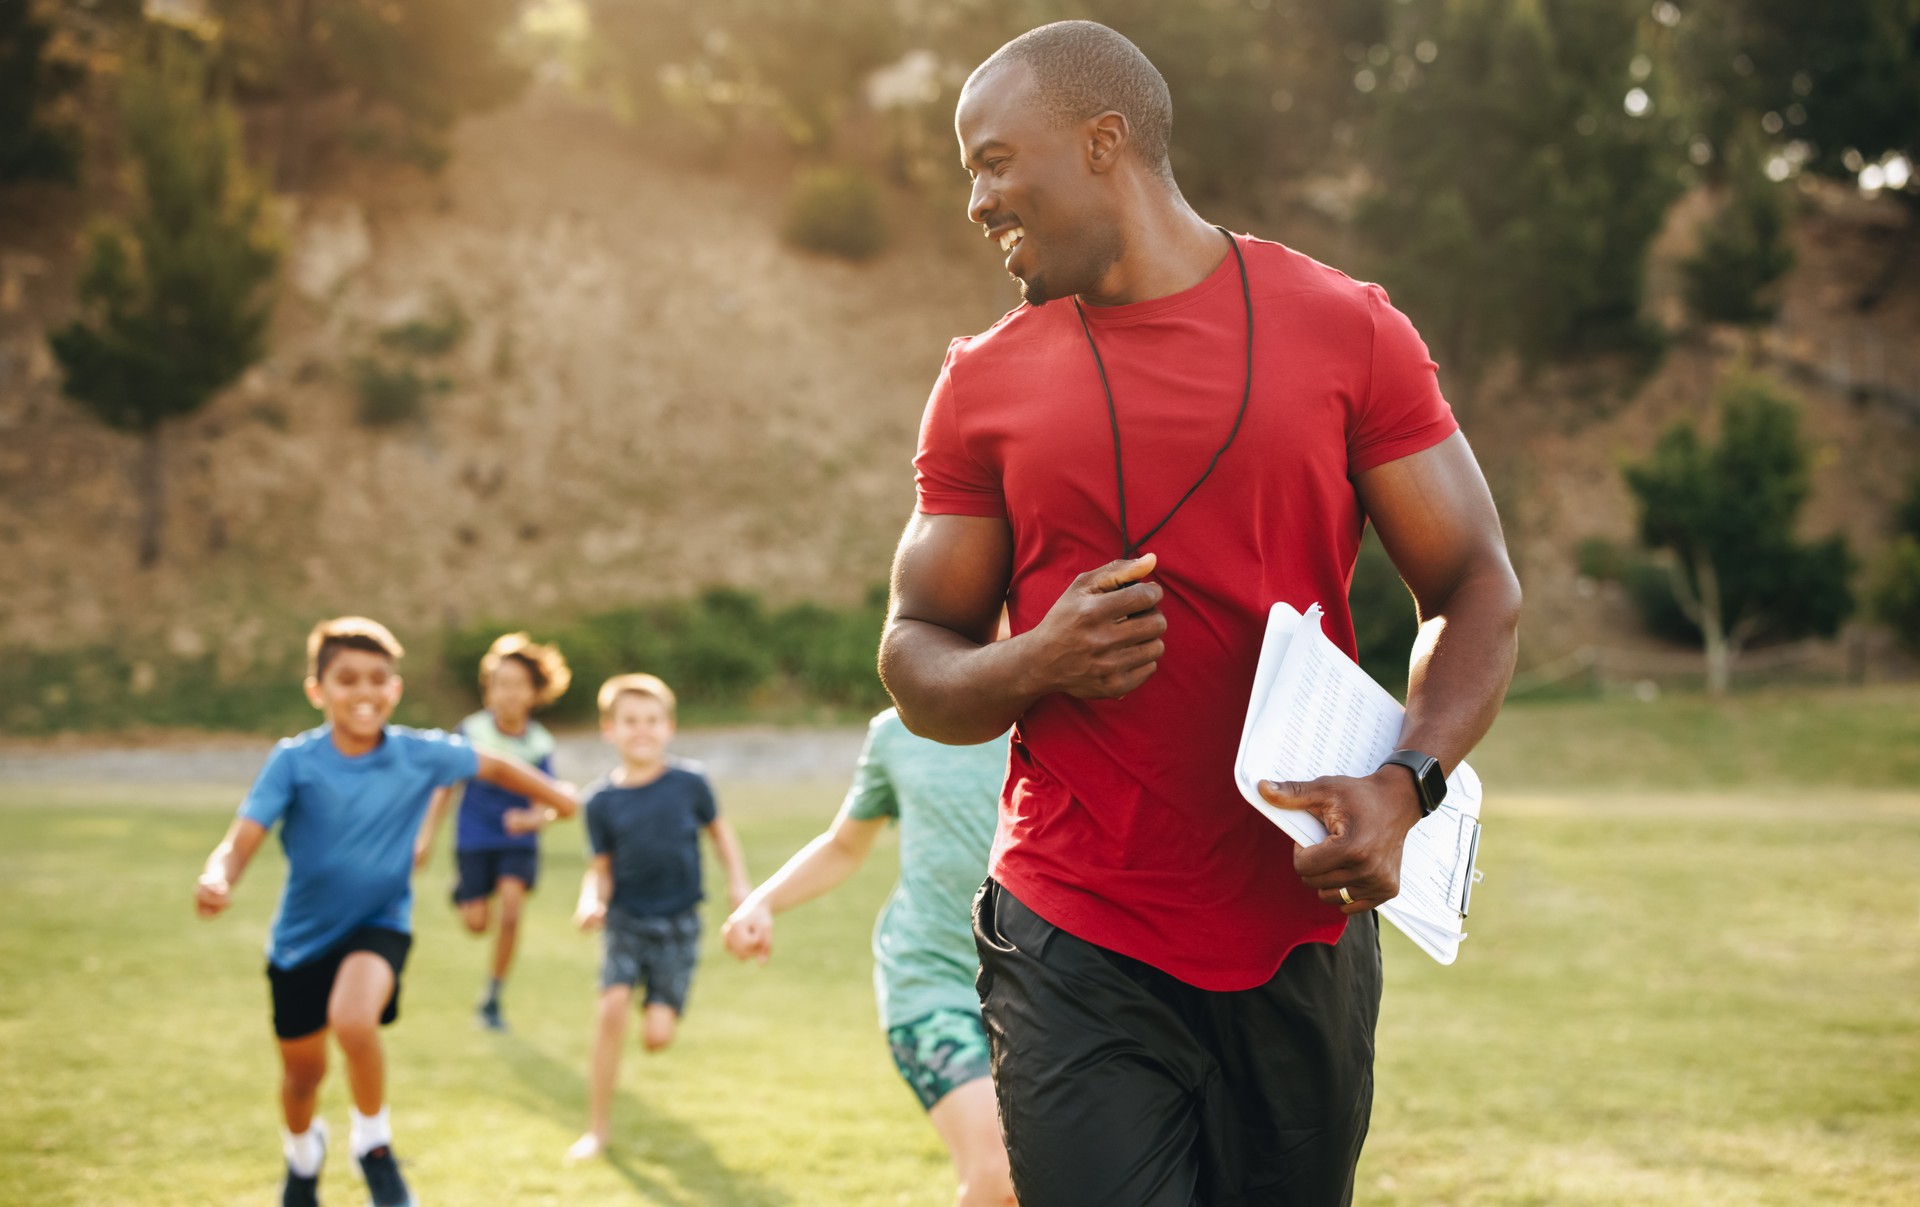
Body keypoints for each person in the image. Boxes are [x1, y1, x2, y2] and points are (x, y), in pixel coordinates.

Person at [879, 21, 1523, 1207]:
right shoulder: (983, 382)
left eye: (995, 160)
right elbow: (916, 658)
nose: (977, 200)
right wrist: (1036, 658)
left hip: (1300, 929)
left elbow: (1476, 582)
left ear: (1103, 141)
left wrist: (1409, 780)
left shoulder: (1347, 329)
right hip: (1071, 934)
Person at [194, 617, 579, 1207]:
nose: (365, 692)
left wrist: (558, 798)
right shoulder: (294, 762)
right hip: (301, 941)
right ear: (317, 691)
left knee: (354, 1020)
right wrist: (218, 876)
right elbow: (242, 839)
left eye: (379, 679)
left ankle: (373, 1146)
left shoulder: (418, 752)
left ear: (395, 689)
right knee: (302, 1079)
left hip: (380, 924)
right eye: (346, 679)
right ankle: (303, 1157)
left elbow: (495, 765)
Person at [722, 710, 1017, 1207]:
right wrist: (762, 901)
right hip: (928, 982)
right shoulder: (898, 730)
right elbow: (843, 844)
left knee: (1039, 1181)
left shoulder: (1052, 717)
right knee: (998, 1174)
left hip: (1031, 988)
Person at [567, 673, 752, 1163]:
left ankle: (658, 1012)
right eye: (630, 722)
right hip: (625, 921)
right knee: (609, 1014)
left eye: (651, 721)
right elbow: (598, 871)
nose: (641, 730)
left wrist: (739, 884)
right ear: (610, 729)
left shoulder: (690, 783)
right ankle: (597, 1131)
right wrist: (590, 901)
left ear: (668, 727)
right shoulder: (599, 802)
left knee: (656, 1038)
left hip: (679, 924)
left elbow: (721, 835)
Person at [414, 632, 573, 1032]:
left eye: (519, 685)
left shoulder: (538, 743)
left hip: (517, 840)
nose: (509, 694)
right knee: (476, 925)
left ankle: (493, 995)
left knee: (511, 910)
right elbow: (445, 788)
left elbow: (551, 801)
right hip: (474, 838)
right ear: (489, 690)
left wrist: (534, 820)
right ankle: (464, 891)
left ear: (534, 693)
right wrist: (426, 837)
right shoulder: (471, 732)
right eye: (501, 684)